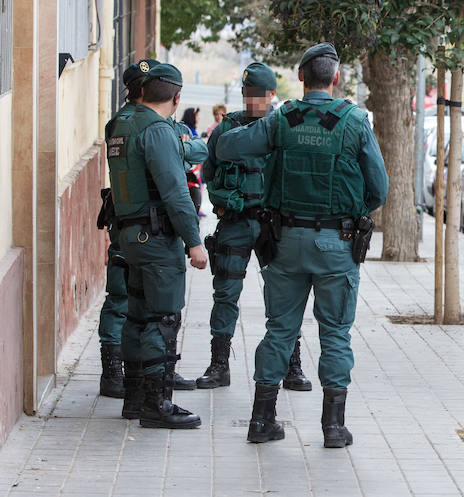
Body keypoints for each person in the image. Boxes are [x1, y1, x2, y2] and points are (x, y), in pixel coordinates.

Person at [216, 43, 388, 446]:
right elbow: (378, 189)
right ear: (336, 78)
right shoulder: (354, 121)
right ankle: (333, 428)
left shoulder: (281, 121)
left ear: (299, 78)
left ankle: (261, 421)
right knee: (335, 333)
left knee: (279, 329)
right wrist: (349, 212)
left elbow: (225, 148)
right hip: (337, 244)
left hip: (286, 242)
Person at [196, 61, 312, 392]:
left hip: (272, 226)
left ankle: (293, 365)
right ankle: (219, 365)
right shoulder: (226, 128)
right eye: (247, 93)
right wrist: (224, 199)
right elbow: (209, 172)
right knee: (225, 294)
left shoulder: (284, 128)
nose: (252, 100)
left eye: (258, 95)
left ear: (272, 94)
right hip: (234, 223)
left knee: (283, 296)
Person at [105, 63, 208, 429]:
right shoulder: (158, 131)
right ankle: (157, 404)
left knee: (136, 315)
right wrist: (194, 243)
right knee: (162, 319)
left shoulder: (120, 124)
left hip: (128, 236)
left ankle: (134, 398)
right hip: (156, 240)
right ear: (177, 97)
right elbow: (176, 193)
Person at [96, 58, 160, 400]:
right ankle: (115, 372)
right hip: (135, 222)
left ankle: (119, 372)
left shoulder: (116, 122)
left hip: (123, 220)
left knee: (125, 297)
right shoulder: (142, 123)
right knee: (125, 297)